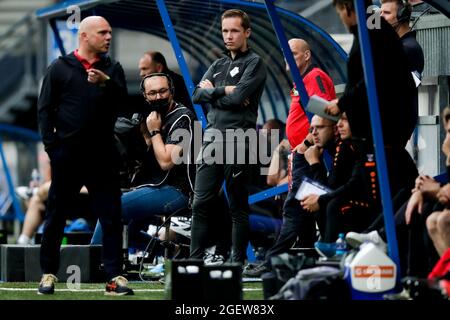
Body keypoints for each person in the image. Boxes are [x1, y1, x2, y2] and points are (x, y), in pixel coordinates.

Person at [37, 16, 133, 295]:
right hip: (67, 155)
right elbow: (45, 110)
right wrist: (53, 149)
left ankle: (115, 277)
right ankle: (48, 274)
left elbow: (122, 103)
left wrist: (105, 83)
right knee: (56, 214)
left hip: (103, 155)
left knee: (111, 215)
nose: (108, 37)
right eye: (103, 33)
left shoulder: (111, 69)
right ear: (85, 36)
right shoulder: (60, 68)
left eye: (110, 33)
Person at [189, 9, 267, 264]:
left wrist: (216, 93)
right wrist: (226, 90)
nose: (229, 36)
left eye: (234, 30)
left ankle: (236, 262)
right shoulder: (218, 64)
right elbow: (196, 96)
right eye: (225, 31)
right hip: (211, 138)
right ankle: (194, 261)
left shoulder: (254, 62)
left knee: (236, 206)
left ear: (247, 32)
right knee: (200, 203)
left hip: (238, 139)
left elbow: (234, 99)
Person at [91, 73, 196, 252]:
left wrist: (154, 132)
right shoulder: (155, 116)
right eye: (152, 93)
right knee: (126, 227)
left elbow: (166, 162)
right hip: (157, 186)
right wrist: (144, 136)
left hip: (179, 191)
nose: (158, 97)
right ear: (145, 96)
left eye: (163, 91)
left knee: (113, 206)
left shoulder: (183, 118)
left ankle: (92, 259)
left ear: (171, 91)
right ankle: (170, 250)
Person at [327, 0, 418, 200]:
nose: (340, 18)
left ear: (347, 9)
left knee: (378, 192)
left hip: (382, 131)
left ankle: (383, 230)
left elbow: (373, 76)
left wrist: (342, 104)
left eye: (340, 12)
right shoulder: (370, 28)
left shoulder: (372, 29)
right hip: (378, 132)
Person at [380, 0, 424, 83]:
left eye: (386, 13)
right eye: (380, 13)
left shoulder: (408, 48)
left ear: (402, 15)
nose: (381, 17)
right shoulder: (400, 46)